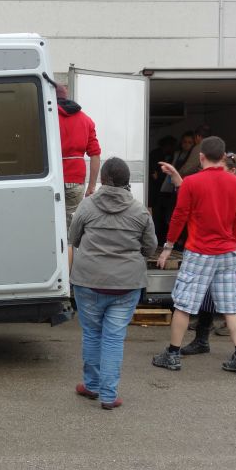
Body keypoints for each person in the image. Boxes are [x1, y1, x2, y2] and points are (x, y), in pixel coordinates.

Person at [151, 136, 236, 377]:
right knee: (231, 307)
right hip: (227, 252)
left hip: (199, 252)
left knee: (184, 305)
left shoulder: (191, 183)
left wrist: (167, 247)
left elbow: (179, 217)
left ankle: (173, 354)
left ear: (201, 156)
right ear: (223, 155)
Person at [70, 158, 157, 409]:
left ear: (103, 179)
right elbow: (150, 247)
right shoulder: (140, 211)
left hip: (87, 281)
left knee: (92, 334)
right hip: (126, 285)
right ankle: (108, 395)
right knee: (113, 339)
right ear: (127, 182)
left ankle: (91, 385)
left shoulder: (87, 206)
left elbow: (74, 238)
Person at [172, 153, 236, 359]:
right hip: (219, 249)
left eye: (221, 167)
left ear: (233, 171)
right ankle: (201, 340)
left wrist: (232, 243)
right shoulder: (221, 188)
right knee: (206, 295)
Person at [56, 82, 101, 226]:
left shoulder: (45, 115)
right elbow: (95, 154)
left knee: (51, 221)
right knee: (70, 225)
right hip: (75, 180)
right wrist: (92, 186)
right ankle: (69, 247)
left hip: (49, 178)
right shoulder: (86, 119)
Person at [153, 131, 194, 243]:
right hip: (169, 189)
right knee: (167, 216)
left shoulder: (192, 157)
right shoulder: (176, 154)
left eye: (189, 142)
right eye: (185, 142)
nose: (186, 144)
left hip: (181, 188)